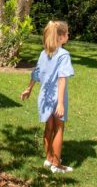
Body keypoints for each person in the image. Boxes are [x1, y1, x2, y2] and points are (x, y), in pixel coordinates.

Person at [20, 21, 75, 173]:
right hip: (57, 97)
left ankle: (49, 158)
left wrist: (29, 89)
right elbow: (62, 78)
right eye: (67, 33)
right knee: (58, 128)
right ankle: (56, 165)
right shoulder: (64, 55)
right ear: (61, 37)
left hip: (44, 97)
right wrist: (60, 104)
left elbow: (36, 73)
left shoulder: (44, 53)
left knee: (48, 127)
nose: (68, 35)